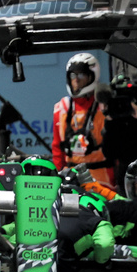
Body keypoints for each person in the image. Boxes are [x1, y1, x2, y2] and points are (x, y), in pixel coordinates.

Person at [51, 53, 112, 188]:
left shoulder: (105, 106)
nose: (76, 80)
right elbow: (57, 149)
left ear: (92, 77)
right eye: (73, 75)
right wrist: (58, 179)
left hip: (104, 180)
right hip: (72, 179)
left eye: (81, 75)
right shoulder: (61, 108)